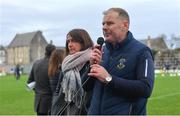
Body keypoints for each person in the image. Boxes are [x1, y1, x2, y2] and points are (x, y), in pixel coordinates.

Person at [84, 8, 155, 115]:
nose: (104, 27)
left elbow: (146, 89)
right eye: (103, 24)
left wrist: (109, 79)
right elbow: (85, 87)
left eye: (110, 23)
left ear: (125, 25)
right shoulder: (102, 51)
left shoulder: (141, 51)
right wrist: (91, 65)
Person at [56, 28, 93, 115]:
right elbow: (58, 91)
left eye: (73, 41)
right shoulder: (66, 64)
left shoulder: (92, 61)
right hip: (65, 111)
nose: (70, 45)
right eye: (68, 41)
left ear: (83, 42)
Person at [27, 44, 56, 115]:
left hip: (39, 102)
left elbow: (29, 82)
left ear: (45, 51)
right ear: (54, 52)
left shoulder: (36, 63)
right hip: (51, 102)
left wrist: (38, 91)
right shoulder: (54, 64)